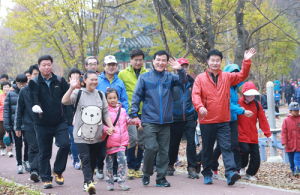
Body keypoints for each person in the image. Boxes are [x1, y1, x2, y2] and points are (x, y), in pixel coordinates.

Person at [192, 48, 256, 185]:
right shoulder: (200, 78)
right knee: (208, 149)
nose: (215, 63)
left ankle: (231, 173)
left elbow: (242, 75)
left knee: (227, 147)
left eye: (217, 60)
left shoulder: (227, 77)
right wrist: (200, 107)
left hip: (223, 120)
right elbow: (195, 95)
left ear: (221, 62)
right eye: (212, 60)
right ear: (208, 61)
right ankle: (207, 173)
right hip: (207, 120)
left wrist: (247, 60)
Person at [131, 50, 187, 187]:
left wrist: (180, 70)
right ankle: (147, 172)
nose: (160, 62)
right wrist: (133, 114)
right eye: (158, 60)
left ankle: (161, 178)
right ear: (153, 61)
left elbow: (183, 81)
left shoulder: (170, 77)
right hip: (149, 119)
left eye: (163, 60)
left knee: (164, 150)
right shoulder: (144, 78)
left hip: (166, 121)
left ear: (166, 63)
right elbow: (136, 96)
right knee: (151, 147)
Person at [62, 70, 115, 194]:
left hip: (96, 135)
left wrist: (111, 126)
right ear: (84, 80)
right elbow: (64, 101)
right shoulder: (78, 93)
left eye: (96, 79)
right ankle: (90, 182)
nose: (94, 81)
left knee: (93, 160)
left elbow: (105, 113)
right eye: (91, 79)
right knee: (85, 158)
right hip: (81, 134)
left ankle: (87, 182)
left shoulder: (101, 94)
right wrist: (71, 88)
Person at [29, 55, 70, 189]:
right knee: (44, 152)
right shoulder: (34, 82)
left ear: (52, 65)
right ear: (39, 66)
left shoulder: (60, 80)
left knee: (65, 144)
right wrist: (36, 107)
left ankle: (57, 170)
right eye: (44, 65)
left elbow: (68, 98)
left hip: (60, 121)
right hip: (42, 122)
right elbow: (33, 98)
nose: (46, 67)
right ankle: (46, 178)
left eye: (49, 64)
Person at [211, 64, 254, 179]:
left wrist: (241, 109)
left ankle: (236, 170)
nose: (234, 75)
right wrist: (241, 110)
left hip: (233, 119)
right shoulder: (223, 86)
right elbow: (227, 104)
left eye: (236, 73)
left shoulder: (235, 89)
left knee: (234, 145)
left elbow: (234, 104)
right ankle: (212, 165)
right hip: (223, 120)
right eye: (232, 73)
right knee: (221, 147)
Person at [95, 55, 129, 181]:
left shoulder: (119, 81)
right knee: (101, 145)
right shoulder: (97, 80)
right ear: (104, 66)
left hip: (117, 118)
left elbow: (124, 99)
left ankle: (115, 172)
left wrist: (126, 115)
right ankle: (99, 166)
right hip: (101, 118)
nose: (111, 67)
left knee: (116, 145)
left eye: (113, 65)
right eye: (108, 65)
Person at [103, 88, 141, 191]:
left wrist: (136, 122)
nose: (112, 100)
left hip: (121, 142)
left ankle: (121, 182)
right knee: (109, 164)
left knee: (122, 162)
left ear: (118, 98)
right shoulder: (105, 111)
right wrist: (106, 129)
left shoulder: (123, 111)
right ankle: (110, 183)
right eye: (110, 98)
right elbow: (102, 125)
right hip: (110, 143)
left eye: (114, 97)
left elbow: (128, 121)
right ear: (106, 99)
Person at [166, 58, 198, 179]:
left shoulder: (193, 82)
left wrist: (196, 116)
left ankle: (192, 168)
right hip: (175, 117)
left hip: (190, 117)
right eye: (181, 66)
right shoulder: (171, 81)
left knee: (191, 143)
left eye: (186, 66)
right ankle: (170, 164)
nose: (184, 69)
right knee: (173, 143)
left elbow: (196, 99)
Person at [118, 49, 148, 180]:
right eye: (135, 60)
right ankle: (130, 167)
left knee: (142, 141)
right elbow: (119, 92)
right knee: (132, 139)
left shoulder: (147, 73)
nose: (138, 62)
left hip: (145, 113)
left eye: (140, 60)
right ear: (130, 60)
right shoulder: (123, 74)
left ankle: (137, 167)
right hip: (129, 113)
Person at [237, 82, 272, 181]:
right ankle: (241, 166)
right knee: (244, 151)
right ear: (244, 94)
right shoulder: (238, 102)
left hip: (253, 135)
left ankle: (250, 173)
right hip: (241, 134)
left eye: (253, 94)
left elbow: (263, 119)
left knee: (256, 157)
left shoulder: (257, 104)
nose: (251, 96)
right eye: (249, 94)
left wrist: (268, 134)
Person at [14, 65, 40, 182]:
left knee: (43, 148)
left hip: (45, 124)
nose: (37, 76)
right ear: (30, 76)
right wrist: (17, 126)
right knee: (33, 147)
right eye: (35, 74)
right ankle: (34, 171)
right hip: (29, 124)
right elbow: (19, 110)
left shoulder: (46, 89)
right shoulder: (24, 90)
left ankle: (43, 171)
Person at [4, 74, 29, 174]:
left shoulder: (28, 91)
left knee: (28, 143)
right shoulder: (10, 94)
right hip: (16, 124)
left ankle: (26, 160)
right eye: (20, 84)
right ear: (16, 83)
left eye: (24, 83)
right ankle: (19, 164)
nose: (22, 86)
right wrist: (7, 126)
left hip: (27, 124)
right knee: (18, 145)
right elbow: (6, 111)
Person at [65, 68, 82, 170]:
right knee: (74, 139)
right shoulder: (67, 89)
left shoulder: (85, 88)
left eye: (78, 75)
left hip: (84, 118)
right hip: (71, 118)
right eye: (73, 75)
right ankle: (75, 159)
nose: (76, 77)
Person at [281, 102, 300, 176]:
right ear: (290, 111)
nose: (297, 112)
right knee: (291, 158)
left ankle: (297, 170)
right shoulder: (286, 120)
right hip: (290, 143)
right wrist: (284, 142)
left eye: (298, 110)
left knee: (297, 157)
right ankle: (292, 169)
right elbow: (284, 132)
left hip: (298, 143)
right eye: (295, 111)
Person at [0, 81, 11, 156]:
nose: (6, 88)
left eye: (7, 87)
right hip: (1, 118)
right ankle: (2, 148)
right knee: (1, 134)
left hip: (10, 117)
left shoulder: (12, 95)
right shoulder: (0, 96)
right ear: (2, 88)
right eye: (5, 87)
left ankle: (9, 150)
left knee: (9, 133)